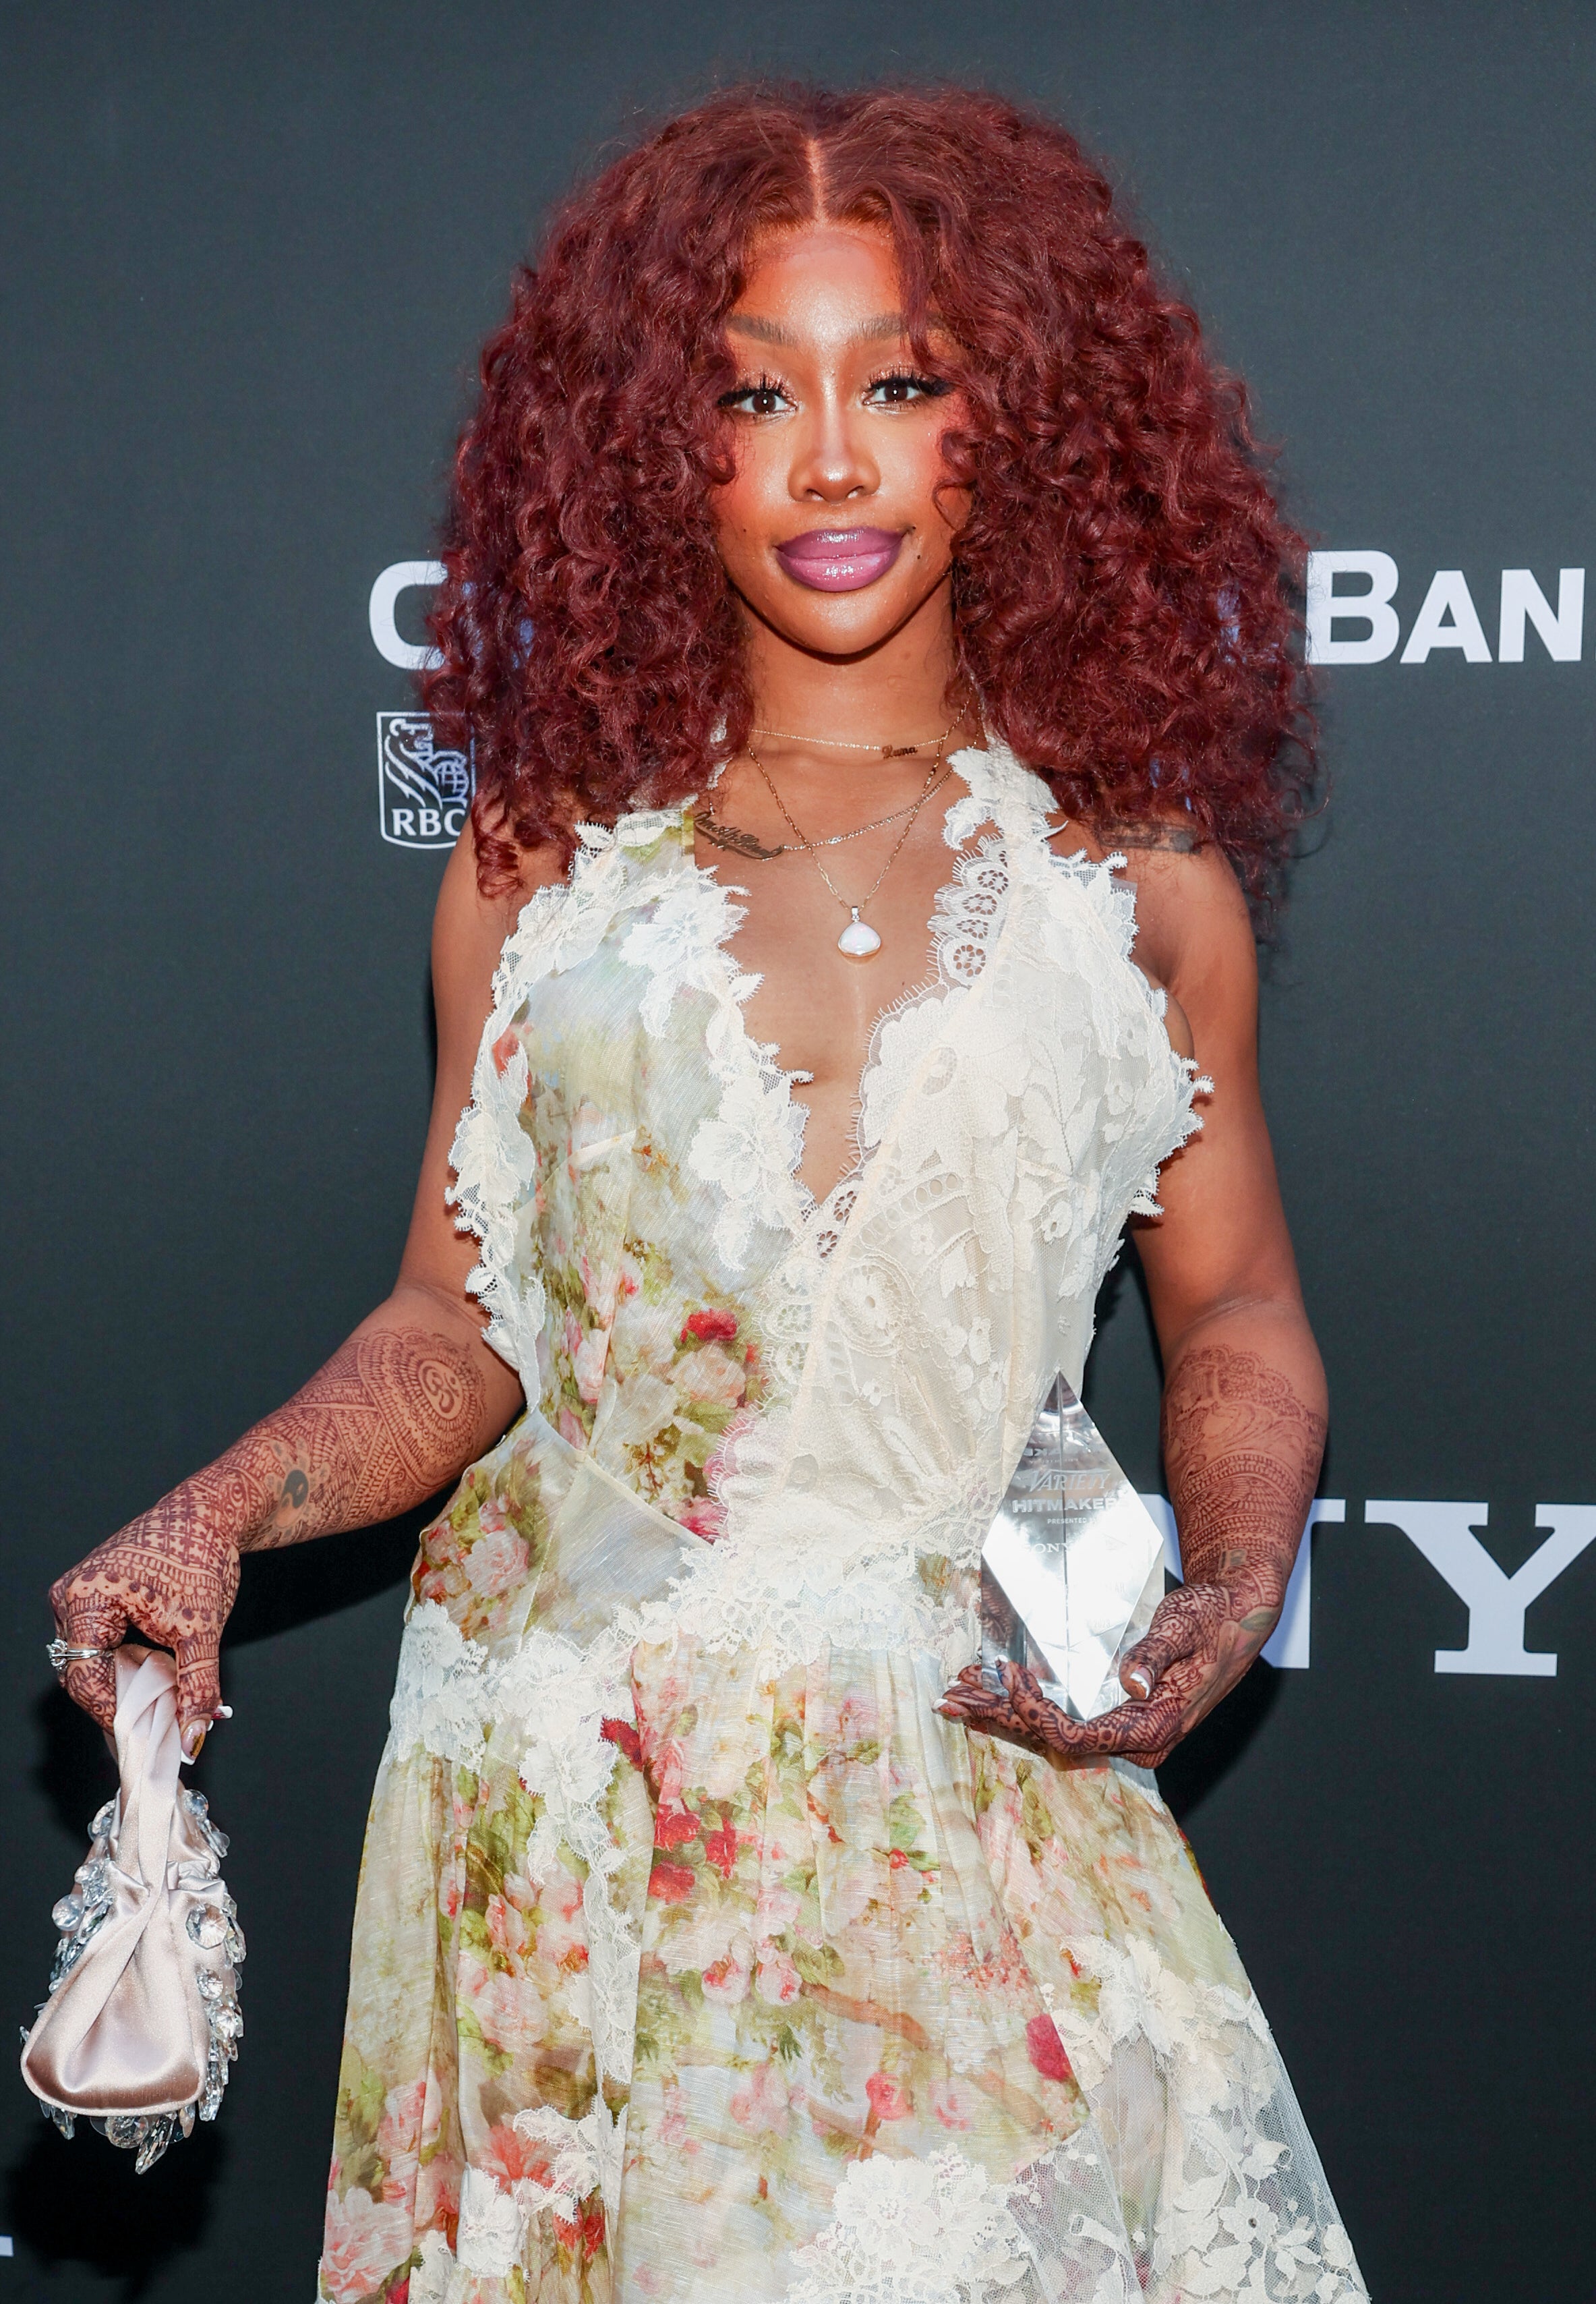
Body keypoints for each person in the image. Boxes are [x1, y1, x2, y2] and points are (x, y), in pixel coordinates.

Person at [49, 85, 1367, 2304]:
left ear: (1009, 423)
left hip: (965, 1763)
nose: (832, 459)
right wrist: (233, 1500)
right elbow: (459, 1329)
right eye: (756, 392)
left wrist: (1231, 1569)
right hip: (565, 1799)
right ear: (661, 449)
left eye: (903, 383)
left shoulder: (1133, 888)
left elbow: (1232, 1311)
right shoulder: (539, 871)